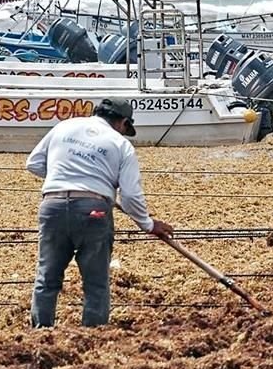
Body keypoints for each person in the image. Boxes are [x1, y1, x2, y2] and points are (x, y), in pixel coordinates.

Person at [25, 97, 174, 327]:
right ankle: (92, 337)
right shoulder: (121, 144)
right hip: (94, 211)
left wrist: (66, 180)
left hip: (52, 205)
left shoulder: (64, 126)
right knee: (95, 282)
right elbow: (131, 195)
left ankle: (40, 333)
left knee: (47, 277)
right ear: (123, 123)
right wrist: (148, 224)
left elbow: (33, 163)